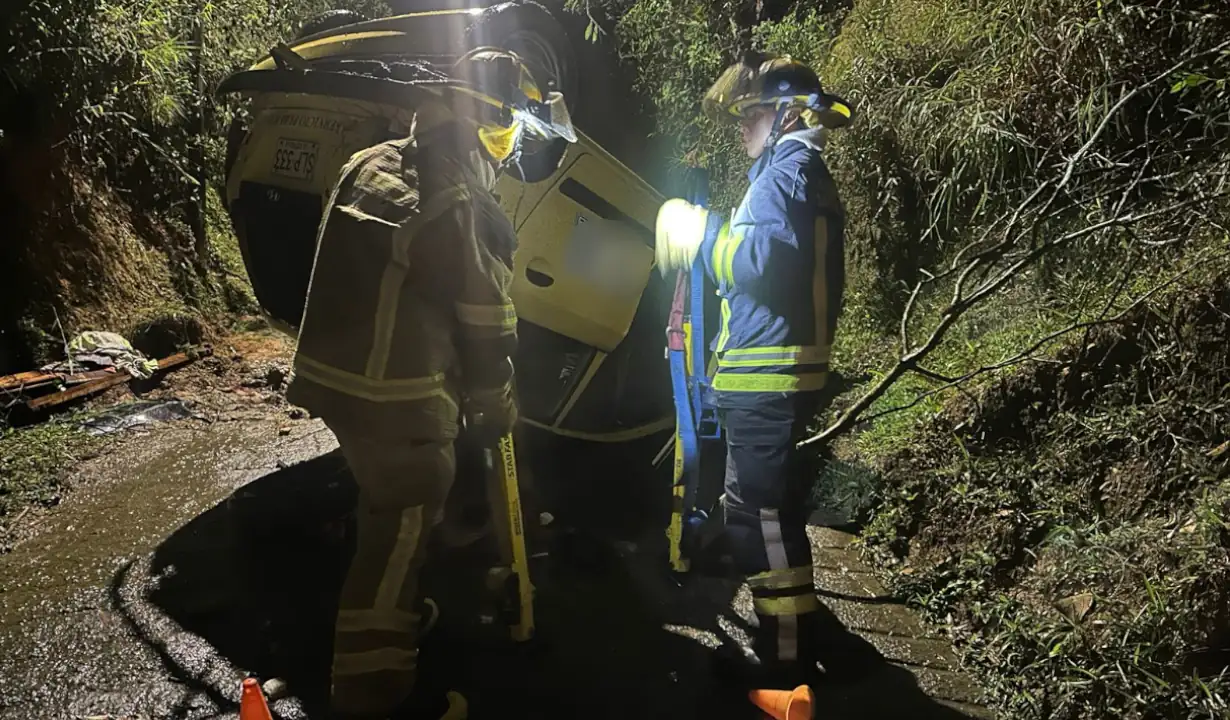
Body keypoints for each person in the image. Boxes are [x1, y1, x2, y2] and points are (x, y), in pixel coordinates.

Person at [282, 47, 576, 719]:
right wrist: (495, 401)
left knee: (388, 511)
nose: (511, 146)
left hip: (334, 383)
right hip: (399, 400)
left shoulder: (370, 161)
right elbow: (488, 322)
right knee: (399, 533)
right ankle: (375, 690)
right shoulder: (464, 198)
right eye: (510, 129)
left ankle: (398, 617)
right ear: (486, 118)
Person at [653, 52, 853, 687]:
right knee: (771, 518)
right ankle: (797, 634)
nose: (742, 126)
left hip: (768, 382)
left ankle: (785, 667)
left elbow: (760, 263)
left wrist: (703, 234)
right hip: (775, 378)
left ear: (788, 115)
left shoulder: (785, 174)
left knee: (759, 524)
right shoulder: (795, 173)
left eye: (754, 113)